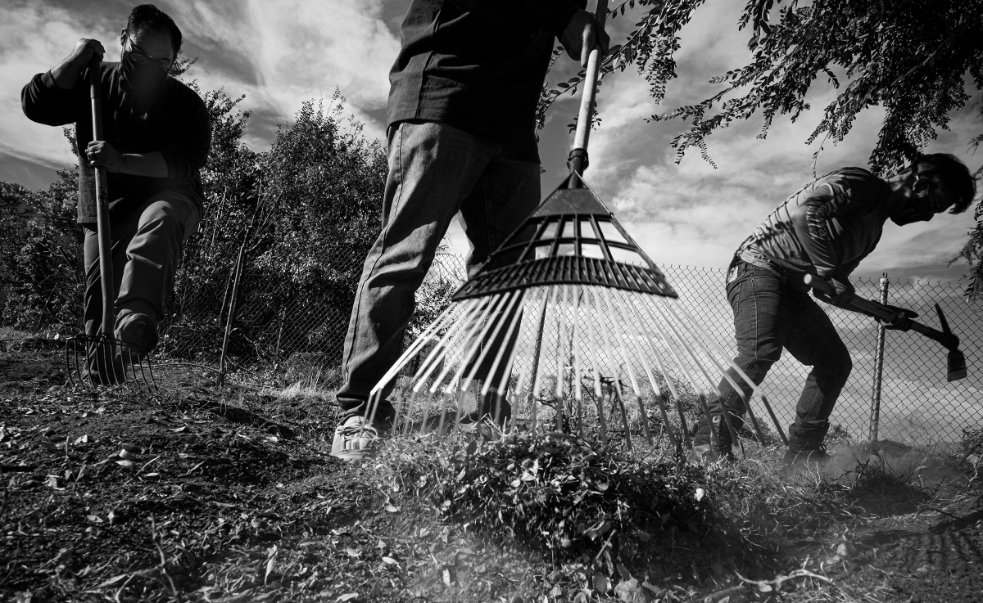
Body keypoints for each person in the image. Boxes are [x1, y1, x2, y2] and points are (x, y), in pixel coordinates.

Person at [331, 0, 609, 460]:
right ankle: (361, 407)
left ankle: (479, 419)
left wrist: (575, 25)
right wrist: (561, 15)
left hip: (515, 127)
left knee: (503, 280)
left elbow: (554, 26)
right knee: (404, 256)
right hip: (443, 92)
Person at [692, 155, 977, 465]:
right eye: (933, 205)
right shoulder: (862, 184)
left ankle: (803, 456)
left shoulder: (872, 234)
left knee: (835, 362)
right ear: (919, 181)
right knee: (760, 350)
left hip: (794, 287)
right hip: (758, 268)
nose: (926, 217)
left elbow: (829, 290)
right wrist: (828, 271)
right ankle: (707, 445)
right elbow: (806, 212)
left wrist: (879, 311)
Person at [22, 4, 209, 382]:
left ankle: (136, 319)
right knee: (99, 294)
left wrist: (122, 160)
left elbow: (186, 160)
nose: (150, 65)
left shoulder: (185, 104)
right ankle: (106, 377)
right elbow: (35, 105)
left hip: (170, 196)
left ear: (173, 61)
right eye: (139, 53)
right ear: (123, 41)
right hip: (103, 205)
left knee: (157, 224)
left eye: (162, 60)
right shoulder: (94, 81)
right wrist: (75, 58)